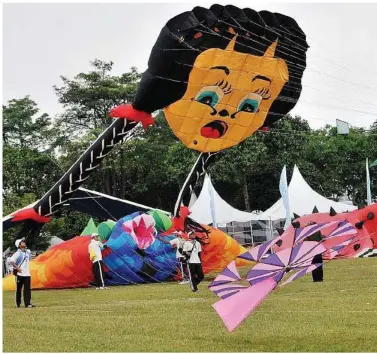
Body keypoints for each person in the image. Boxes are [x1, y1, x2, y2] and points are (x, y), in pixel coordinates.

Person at [9, 238, 34, 308]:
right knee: (19, 289)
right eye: (22, 242)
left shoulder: (28, 252)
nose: (24, 243)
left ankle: (28, 303)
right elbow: (11, 261)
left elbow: (30, 259)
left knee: (27, 289)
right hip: (19, 274)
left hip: (27, 274)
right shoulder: (17, 253)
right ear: (19, 245)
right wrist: (18, 268)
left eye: (24, 242)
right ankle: (18, 303)